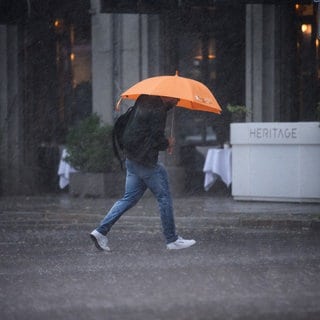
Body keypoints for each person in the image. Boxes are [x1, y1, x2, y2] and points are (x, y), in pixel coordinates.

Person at [90, 94, 196, 251]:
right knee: (164, 197)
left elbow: (140, 131)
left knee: (128, 199)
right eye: (176, 99)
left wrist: (163, 141)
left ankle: (100, 232)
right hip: (146, 163)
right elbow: (155, 138)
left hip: (132, 160)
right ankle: (172, 239)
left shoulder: (143, 101)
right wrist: (168, 143)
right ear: (167, 97)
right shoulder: (158, 110)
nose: (178, 102)